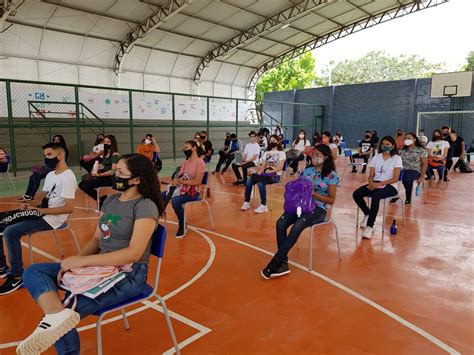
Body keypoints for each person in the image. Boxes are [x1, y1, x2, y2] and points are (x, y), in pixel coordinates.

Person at [16, 154, 163, 354]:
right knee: (35, 271)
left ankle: (57, 321)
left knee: (67, 314)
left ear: (137, 179)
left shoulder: (145, 206)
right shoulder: (111, 201)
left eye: (120, 172)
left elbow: (133, 254)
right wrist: (75, 263)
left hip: (128, 274)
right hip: (100, 266)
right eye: (115, 170)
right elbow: (96, 239)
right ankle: (54, 315)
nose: (114, 175)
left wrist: (81, 261)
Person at [0, 143, 77, 295]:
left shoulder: (68, 177)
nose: (46, 158)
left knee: (10, 231)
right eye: (45, 155)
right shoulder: (50, 175)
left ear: (60, 156)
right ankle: (2, 267)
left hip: (53, 219)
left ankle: (17, 275)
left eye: (49, 155)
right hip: (41, 213)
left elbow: (69, 208)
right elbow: (45, 198)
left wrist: (39, 210)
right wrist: (30, 205)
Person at [261, 144, 339, 279]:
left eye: (317, 155)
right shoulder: (307, 171)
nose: (314, 157)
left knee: (297, 226)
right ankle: (283, 263)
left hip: (319, 209)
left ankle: (276, 260)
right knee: (281, 223)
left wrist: (313, 193)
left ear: (325, 157)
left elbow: (331, 200)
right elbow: (300, 188)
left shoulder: (331, 176)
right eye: (313, 155)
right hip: (301, 206)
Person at [352, 136, 402, 239]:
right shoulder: (376, 157)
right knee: (356, 194)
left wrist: (379, 184)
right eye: (383, 144)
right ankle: (367, 213)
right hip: (375, 184)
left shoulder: (397, 158)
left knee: (376, 195)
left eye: (388, 144)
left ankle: (369, 227)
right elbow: (371, 175)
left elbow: (395, 178)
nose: (385, 146)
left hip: (390, 185)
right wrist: (370, 182)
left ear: (393, 146)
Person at [164, 140, 206, 238]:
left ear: (194, 148)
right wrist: (176, 180)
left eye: (187, 147)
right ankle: (155, 224)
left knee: (175, 201)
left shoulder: (200, 163)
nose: (185, 150)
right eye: (184, 148)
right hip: (181, 190)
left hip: (193, 193)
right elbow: (179, 176)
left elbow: (197, 182)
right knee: (161, 195)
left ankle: (182, 225)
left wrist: (181, 181)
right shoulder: (185, 162)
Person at [241, 135, 285, 214]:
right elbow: (263, 166)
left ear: (278, 142)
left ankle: (263, 205)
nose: (272, 142)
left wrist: (270, 172)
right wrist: (260, 171)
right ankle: (247, 202)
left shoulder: (281, 153)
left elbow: (280, 167)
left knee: (256, 179)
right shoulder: (266, 153)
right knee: (249, 181)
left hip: (275, 176)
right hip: (264, 175)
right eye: (270, 140)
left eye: (274, 140)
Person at [19, 135, 69, 201]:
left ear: (61, 141)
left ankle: (30, 196)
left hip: (55, 169)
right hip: (49, 168)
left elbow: (58, 162)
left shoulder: (62, 150)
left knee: (36, 176)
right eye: (55, 140)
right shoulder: (52, 149)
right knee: (33, 177)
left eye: (58, 140)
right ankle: (28, 195)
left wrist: (43, 169)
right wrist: (42, 168)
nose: (56, 141)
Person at [78, 135, 120, 203]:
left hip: (110, 179)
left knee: (85, 184)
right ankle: (100, 200)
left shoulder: (115, 154)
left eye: (108, 142)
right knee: (82, 183)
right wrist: (95, 170)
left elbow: (113, 171)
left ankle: (100, 201)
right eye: (105, 142)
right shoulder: (105, 153)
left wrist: (100, 175)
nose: (106, 144)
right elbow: (102, 165)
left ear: (112, 143)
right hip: (103, 176)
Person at [395, 133, 428, 205]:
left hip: (415, 170)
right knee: (391, 176)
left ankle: (408, 198)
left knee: (407, 178)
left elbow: (424, 164)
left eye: (409, 138)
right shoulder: (402, 150)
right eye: (406, 138)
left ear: (415, 139)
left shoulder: (421, 150)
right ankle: (394, 195)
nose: (407, 140)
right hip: (402, 170)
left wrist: (422, 176)